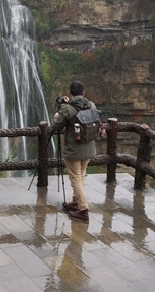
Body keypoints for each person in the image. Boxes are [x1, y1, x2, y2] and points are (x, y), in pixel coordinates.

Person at [51, 80, 99, 223]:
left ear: (70, 92)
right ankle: (76, 202)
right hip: (89, 147)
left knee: (75, 178)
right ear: (83, 92)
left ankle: (83, 210)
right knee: (81, 176)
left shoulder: (67, 108)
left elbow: (55, 126)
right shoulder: (91, 105)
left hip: (74, 149)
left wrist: (58, 113)